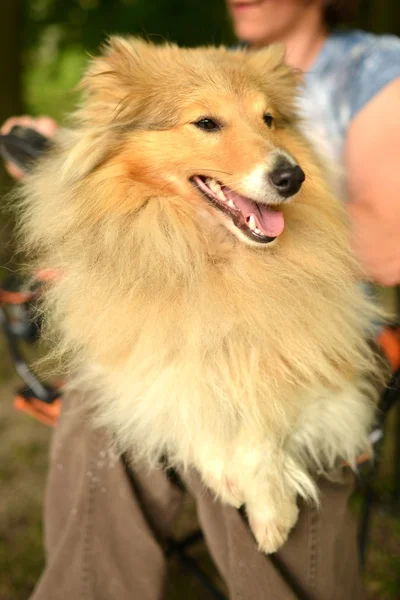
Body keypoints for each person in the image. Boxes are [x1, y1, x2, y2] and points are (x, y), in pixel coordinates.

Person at [2, 1, 400, 598]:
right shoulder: (208, 65)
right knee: (96, 419)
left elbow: (392, 244)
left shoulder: (375, 70)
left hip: (334, 330)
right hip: (182, 315)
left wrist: (266, 228)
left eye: (267, 120)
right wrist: (60, 157)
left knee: (249, 438)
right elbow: (121, 148)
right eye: (209, 123)